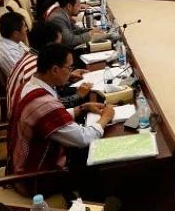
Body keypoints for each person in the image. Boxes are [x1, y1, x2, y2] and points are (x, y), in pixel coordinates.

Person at [8, 43, 113, 183]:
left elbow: (48, 120)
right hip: (37, 177)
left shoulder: (29, 85)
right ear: (55, 70)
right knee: (104, 164)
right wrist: (105, 118)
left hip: (25, 164)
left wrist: (82, 108)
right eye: (69, 68)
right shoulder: (43, 102)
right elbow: (83, 138)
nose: (71, 73)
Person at [0, 12, 29, 78]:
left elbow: (29, 52)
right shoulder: (10, 53)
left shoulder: (13, 40)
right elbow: (23, 76)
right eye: (24, 27)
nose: (26, 29)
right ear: (15, 33)